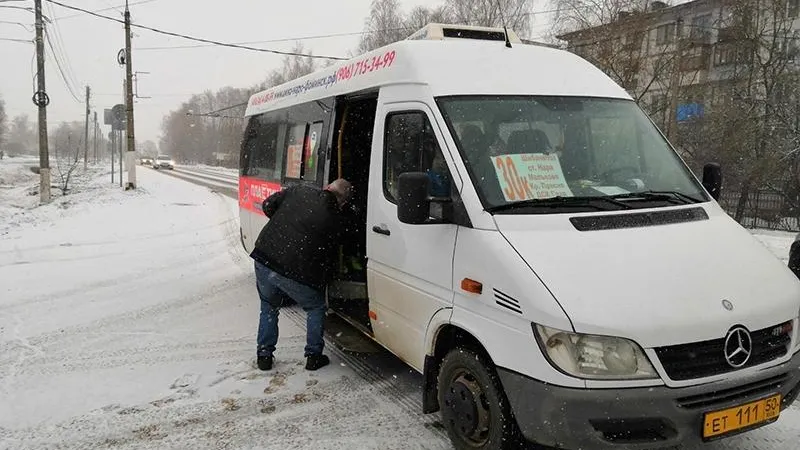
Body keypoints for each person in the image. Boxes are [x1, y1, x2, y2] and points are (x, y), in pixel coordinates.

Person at [250, 178, 354, 372]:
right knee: (315, 307)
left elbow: (268, 205)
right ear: (343, 202)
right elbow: (332, 252)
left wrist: (283, 226)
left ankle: (264, 355)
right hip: (296, 270)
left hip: (264, 257)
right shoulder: (337, 219)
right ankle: (313, 356)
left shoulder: (299, 191)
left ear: (327, 187)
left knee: (269, 306)